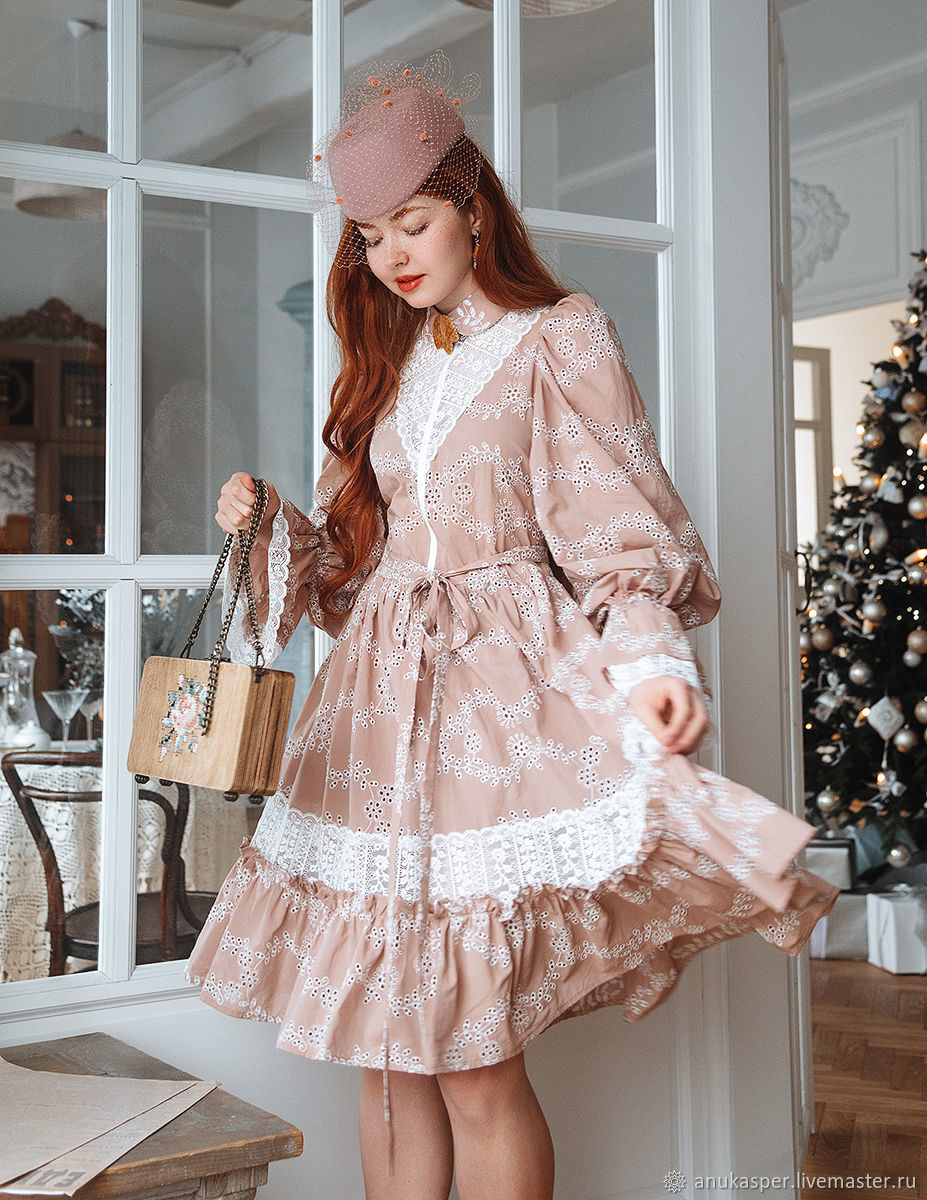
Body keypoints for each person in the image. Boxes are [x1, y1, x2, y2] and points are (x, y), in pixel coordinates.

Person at [186, 52, 838, 1200]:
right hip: (375, 726)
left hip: (498, 718)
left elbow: (612, 533)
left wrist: (651, 664)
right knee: (390, 1061)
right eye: (371, 237)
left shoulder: (560, 337)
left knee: (475, 1060)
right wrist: (272, 523)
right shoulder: (383, 364)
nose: (394, 254)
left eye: (415, 223)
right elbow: (351, 574)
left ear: (472, 209)